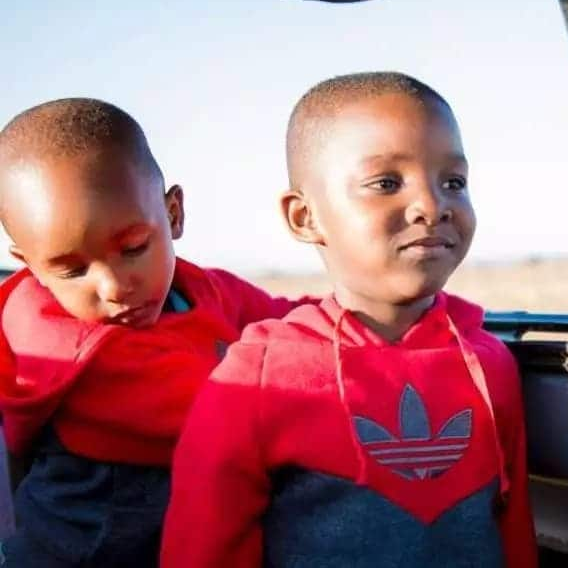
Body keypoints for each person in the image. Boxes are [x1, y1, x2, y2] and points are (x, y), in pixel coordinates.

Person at [161, 72, 538, 568]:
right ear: (304, 217)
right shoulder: (258, 376)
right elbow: (202, 550)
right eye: (385, 183)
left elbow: (513, 532)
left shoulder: (489, 363)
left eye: (454, 182)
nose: (432, 205)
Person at [0, 98, 313, 567]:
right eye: (71, 271)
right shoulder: (63, 346)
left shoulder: (199, 287)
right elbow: (228, 413)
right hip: (89, 552)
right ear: (31, 266)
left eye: (133, 248)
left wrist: (364, 320)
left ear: (173, 215)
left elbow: (288, 317)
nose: (113, 287)